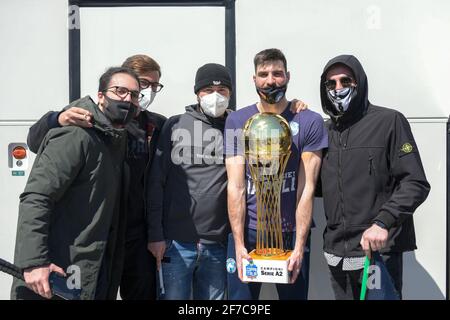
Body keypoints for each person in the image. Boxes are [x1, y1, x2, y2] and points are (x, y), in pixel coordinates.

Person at [26, 54, 166, 300]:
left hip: (134, 233)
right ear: (103, 94)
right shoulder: (84, 122)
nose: (137, 96)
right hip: (95, 233)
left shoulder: (155, 125)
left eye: (154, 86)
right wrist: (56, 119)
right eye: (144, 84)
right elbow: (37, 146)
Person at [318, 54, 430, 300]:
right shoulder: (325, 132)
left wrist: (383, 223)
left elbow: (415, 182)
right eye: (331, 83)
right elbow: (316, 185)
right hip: (337, 252)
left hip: (376, 251)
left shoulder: (389, 121)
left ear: (359, 82)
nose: (338, 88)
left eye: (345, 81)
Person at [224, 48, 328, 300]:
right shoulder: (237, 121)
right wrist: (238, 244)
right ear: (254, 79)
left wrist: (299, 246)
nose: (270, 80)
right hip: (248, 232)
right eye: (264, 74)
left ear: (288, 76)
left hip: (290, 232)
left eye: (277, 73)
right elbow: (236, 187)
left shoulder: (309, 121)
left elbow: (306, 189)